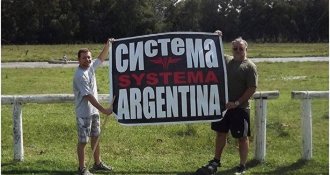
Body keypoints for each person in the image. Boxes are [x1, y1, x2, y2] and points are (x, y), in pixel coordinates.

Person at [196, 31, 258, 175]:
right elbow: (212, 52)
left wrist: (237, 102)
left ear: (246, 49)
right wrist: (215, 37)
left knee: (242, 138)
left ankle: (242, 165)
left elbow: (252, 88)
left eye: (240, 48)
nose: (237, 51)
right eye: (235, 48)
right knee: (220, 134)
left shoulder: (250, 66)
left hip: (240, 108)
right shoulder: (227, 60)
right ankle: (216, 161)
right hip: (223, 108)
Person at [73, 38, 115, 175]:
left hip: (94, 112)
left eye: (89, 57)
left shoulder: (90, 68)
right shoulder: (80, 75)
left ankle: (97, 163)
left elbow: (101, 58)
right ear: (79, 60)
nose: (88, 60)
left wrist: (107, 45)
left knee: (96, 138)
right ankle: (81, 168)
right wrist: (104, 110)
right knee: (83, 141)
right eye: (84, 58)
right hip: (84, 113)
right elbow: (88, 96)